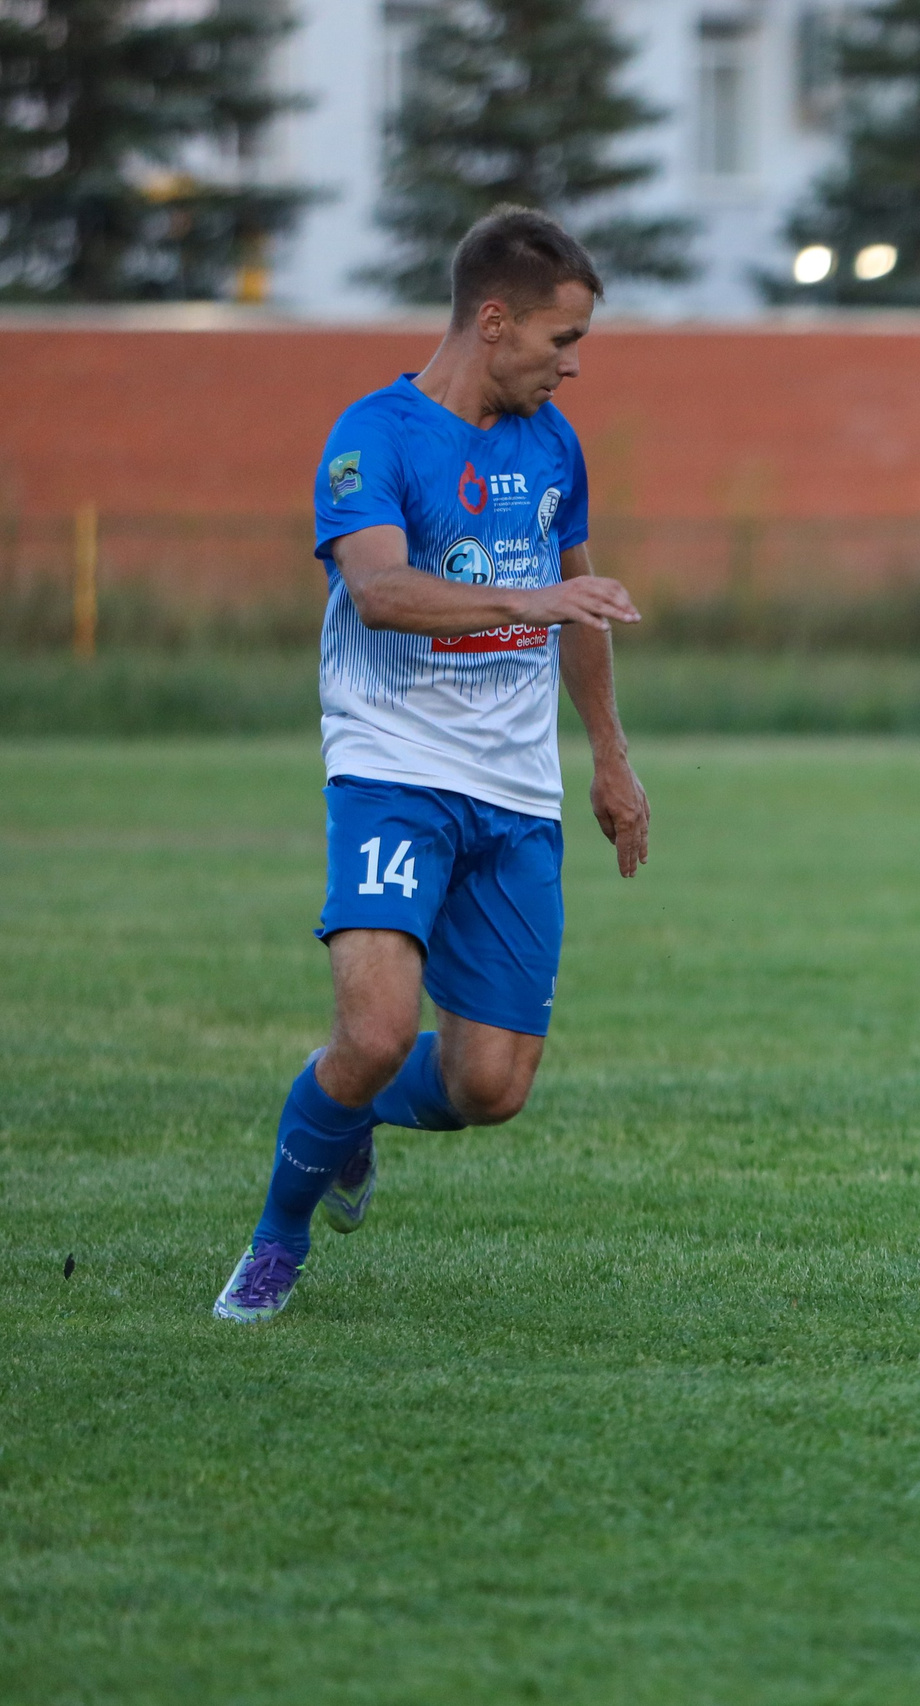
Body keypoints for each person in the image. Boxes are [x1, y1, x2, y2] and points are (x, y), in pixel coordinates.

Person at [212, 207, 650, 1322]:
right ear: (492, 320)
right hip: (392, 768)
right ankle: (276, 1240)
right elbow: (381, 591)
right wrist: (530, 598)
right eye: (561, 339)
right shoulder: (373, 434)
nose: (575, 364)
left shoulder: (551, 445)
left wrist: (610, 758)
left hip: (516, 794)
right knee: (367, 1029)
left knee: (488, 1086)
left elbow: (584, 610)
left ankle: (350, 1110)